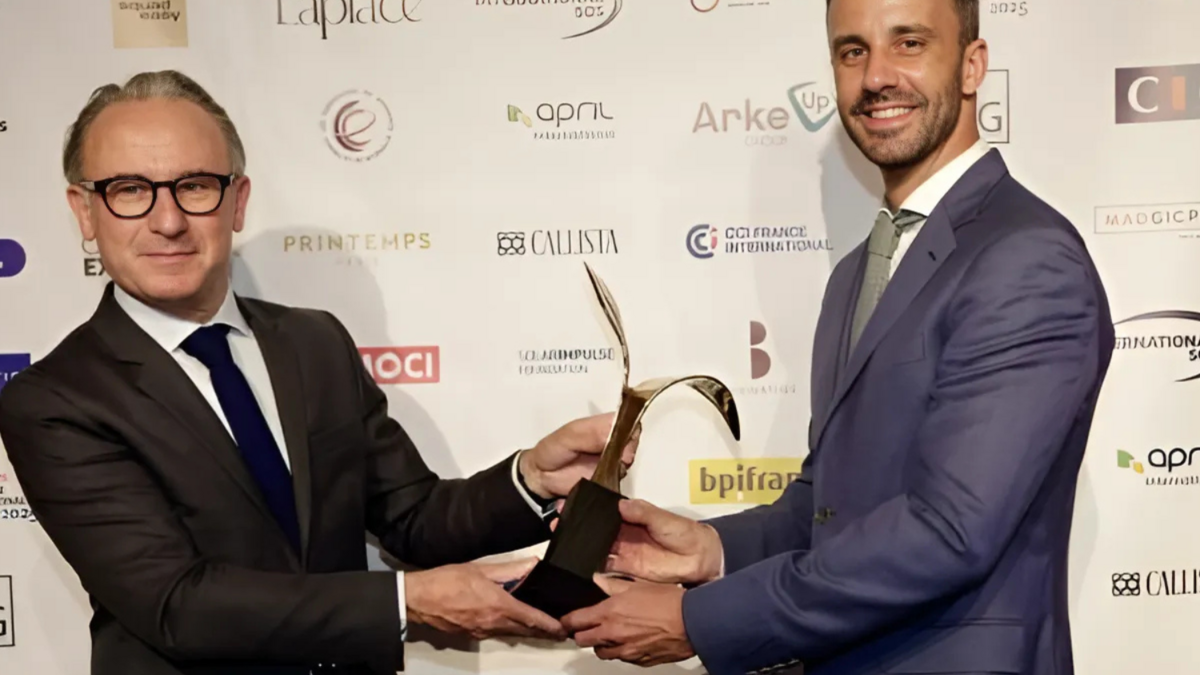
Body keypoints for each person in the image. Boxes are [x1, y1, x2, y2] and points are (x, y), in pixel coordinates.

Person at [0, 70, 637, 675]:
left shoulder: (313, 342)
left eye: (194, 186)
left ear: (237, 200)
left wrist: (530, 477)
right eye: (130, 191)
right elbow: (177, 604)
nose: (168, 221)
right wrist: (404, 601)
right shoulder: (56, 400)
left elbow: (412, 517)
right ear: (85, 211)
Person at [560, 0, 1114, 673]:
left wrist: (700, 620)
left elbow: (949, 530)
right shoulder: (858, 271)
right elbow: (829, 507)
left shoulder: (1026, 258)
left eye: (909, 43)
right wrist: (710, 548)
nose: (876, 76)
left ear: (972, 66)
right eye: (853, 51)